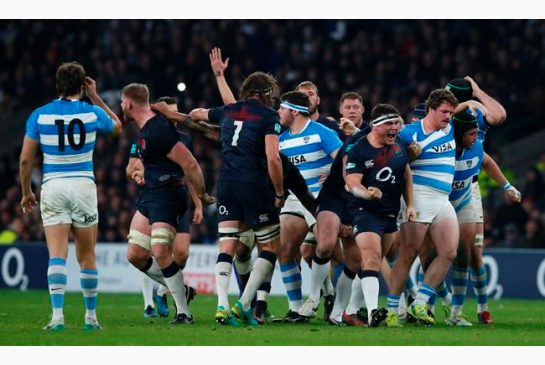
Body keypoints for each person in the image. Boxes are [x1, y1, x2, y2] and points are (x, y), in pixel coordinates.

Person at [19, 62, 122, 331]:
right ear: (81, 86)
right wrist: (96, 96)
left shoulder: (39, 116)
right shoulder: (91, 112)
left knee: (57, 255)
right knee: (87, 255)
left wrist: (26, 191)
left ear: (57, 86)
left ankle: (57, 317)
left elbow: (25, 160)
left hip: (53, 185)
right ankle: (90, 318)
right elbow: (118, 127)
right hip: (83, 186)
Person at [189, 71, 284, 326]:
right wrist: (278, 191)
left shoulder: (229, 111)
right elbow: (273, 157)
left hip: (226, 183)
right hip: (253, 183)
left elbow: (198, 113)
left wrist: (191, 115)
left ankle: (221, 304)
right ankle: (242, 304)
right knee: (270, 248)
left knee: (227, 246)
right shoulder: (269, 116)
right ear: (265, 95)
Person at [122, 83, 212, 325]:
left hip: (168, 195)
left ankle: (184, 313)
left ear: (129, 104)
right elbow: (136, 164)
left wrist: (201, 196)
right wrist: (140, 173)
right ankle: (182, 288)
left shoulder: (159, 129)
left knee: (162, 252)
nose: (121, 106)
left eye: (122, 102)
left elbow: (190, 164)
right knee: (135, 255)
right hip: (151, 194)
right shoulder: (143, 131)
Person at [386, 89, 459, 327]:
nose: (448, 116)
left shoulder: (450, 129)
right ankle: (392, 311)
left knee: (449, 252)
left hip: (443, 199)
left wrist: (473, 95)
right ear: (431, 109)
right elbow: (389, 163)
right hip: (417, 197)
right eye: (444, 112)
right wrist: (408, 155)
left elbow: (482, 111)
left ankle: (420, 302)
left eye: (451, 112)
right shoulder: (407, 133)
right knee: (408, 254)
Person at [344, 104, 416, 327]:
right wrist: (366, 193)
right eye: (389, 123)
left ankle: (349, 311)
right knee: (373, 257)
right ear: (375, 126)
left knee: (371, 264)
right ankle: (374, 312)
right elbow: (352, 181)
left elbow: (405, 174)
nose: (395, 127)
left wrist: (410, 205)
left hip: (390, 213)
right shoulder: (359, 149)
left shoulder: (399, 147)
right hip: (364, 211)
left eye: (397, 123)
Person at [277, 91, 342, 322]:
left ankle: (330, 296)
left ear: (294, 111)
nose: (279, 112)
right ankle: (296, 309)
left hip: (321, 198)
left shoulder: (323, 133)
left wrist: (333, 177)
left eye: (282, 108)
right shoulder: (281, 140)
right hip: (295, 199)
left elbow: (344, 162)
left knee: (326, 249)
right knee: (284, 250)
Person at [446, 76, 507, 324]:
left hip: (469, 187)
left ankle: (482, 307)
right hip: (441, 186)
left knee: (473, 253)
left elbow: (500, 115)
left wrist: (478, 92)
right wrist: (469, 100)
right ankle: (427, 304)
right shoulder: (444, 117)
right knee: (434, 251)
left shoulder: (477, 114)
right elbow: (448, 115)